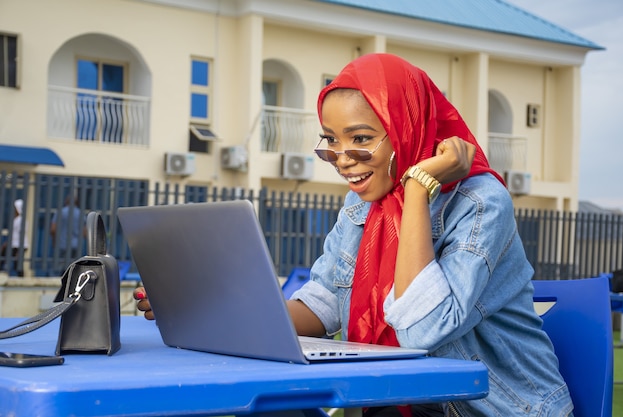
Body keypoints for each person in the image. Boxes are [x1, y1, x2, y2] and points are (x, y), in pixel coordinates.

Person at [134, 53, 574, 416]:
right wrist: (210, 308)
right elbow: (324, 300)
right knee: (271, 409)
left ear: (407, 125)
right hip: (399, 401)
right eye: (331, 142)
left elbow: (423, 330)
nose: (344, 159)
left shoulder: (480, 203)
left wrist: (418, 187)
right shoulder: (364, 203)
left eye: (361, 139)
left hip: (487, 409)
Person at [50, 195, 85, 275]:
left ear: (66, 202)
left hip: (62, 244)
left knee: (60, 267)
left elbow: (53, 229)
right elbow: (84, 231)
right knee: (75, 268)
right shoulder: (80, 213)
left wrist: (54, 241)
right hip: (76, 245)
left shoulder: (60, 212)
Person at [0, 199, 29, 277]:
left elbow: (21, 235)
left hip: (18, 245)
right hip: (14, 244)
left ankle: (21, 278)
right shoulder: (17, 220)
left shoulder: (21, 220)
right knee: (9, 260)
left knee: (16, 263)